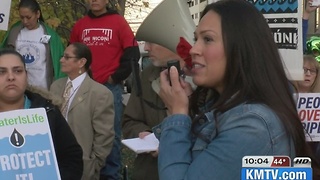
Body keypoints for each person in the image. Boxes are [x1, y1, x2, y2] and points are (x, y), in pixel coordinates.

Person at [154, 0, 320, 179]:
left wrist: (177, 114)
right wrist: (190, 104)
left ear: (241, 47)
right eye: (196, 39)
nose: (194, 49)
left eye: (208, 39)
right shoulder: (233, 108)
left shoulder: (252, 126)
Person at [69, 0, 140, 179]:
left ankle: (111, 175)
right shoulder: (80, 25)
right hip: (84, 88)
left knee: (110, 135)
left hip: (109, 89)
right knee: (83, 133)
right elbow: (71, 54)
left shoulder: (118, 22)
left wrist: (115, 77)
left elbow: (132, 53)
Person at [0, 48, 83, 180]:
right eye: (2, 72)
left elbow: (72, 157)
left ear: (26, 75)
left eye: (18, 71)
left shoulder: (48, 111)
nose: (11, 77)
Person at [122, 42, 188, 180]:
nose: (146, 48)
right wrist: (146, 134)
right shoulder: (146, 76)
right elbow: (130, 120)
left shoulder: (201, 77)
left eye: (151, 42)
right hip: (150, 171)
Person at [50, 42, 115, 180]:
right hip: (55, 162)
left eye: (67, 57)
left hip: (83, 166)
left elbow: (104, 135)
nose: (61, 60)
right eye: (63, 56)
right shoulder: (56, 86)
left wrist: (94, 164)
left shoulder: (100, 93)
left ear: (81, 62)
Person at [0, 0, 65, 90]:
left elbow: (60, 63)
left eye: (28, 17)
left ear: (37, 14)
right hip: (18, 87)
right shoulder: (14, 32)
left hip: (42, 88)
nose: (25, 21)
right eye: (22, 18)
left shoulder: (50, 35)